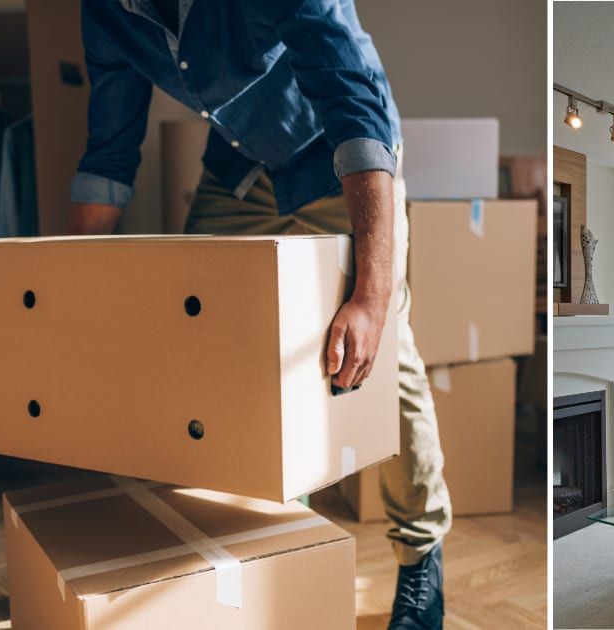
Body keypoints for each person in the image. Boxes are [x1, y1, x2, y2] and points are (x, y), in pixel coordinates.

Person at [67, 2, 451, 628]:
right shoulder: (106, 11)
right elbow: (109, 151)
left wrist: (373, 297)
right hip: (240, 171)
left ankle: (421, 553)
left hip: (345, 157)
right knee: (205, 336)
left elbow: (353, 97)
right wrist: (67, 293)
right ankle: (272, 532)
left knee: (384, 359)